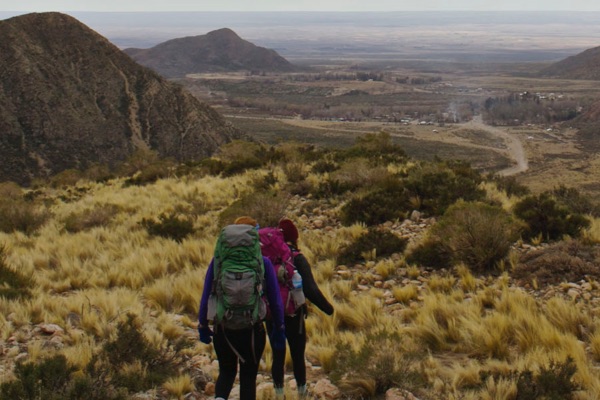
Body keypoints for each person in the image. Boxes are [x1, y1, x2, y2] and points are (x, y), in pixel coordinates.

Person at [198, 216, 286, 400]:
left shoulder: (218, 263)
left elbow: (206, 297)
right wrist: (279, 328)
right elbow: (276, 302)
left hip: (224, 329)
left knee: (226, 373)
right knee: (248, 377)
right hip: (252, 330)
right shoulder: (264, 263)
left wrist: (203, 327)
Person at [268, 218, 335, 399]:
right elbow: (311, 290)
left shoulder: (267, 258)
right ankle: (301, 392)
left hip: (271, 314)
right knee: (297, 354)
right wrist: (329, 309)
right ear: (294, 237)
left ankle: (279, 394)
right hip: (293, 314)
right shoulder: (297, 258)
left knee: (277, 354)